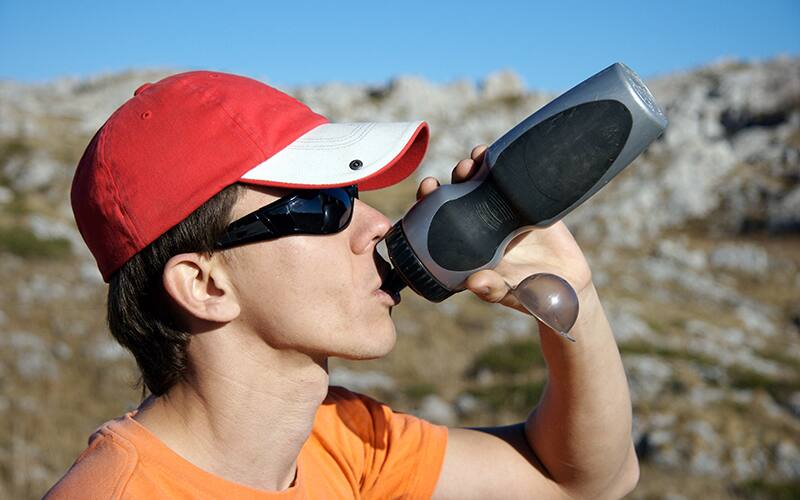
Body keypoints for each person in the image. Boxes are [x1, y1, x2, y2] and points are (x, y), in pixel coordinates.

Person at [44, 70, 639, 499]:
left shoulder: (341, 441)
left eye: (351, 195)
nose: (377, 224)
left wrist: (575, 297)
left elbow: (582, 481)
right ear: (204, 284)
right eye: (321, 207)